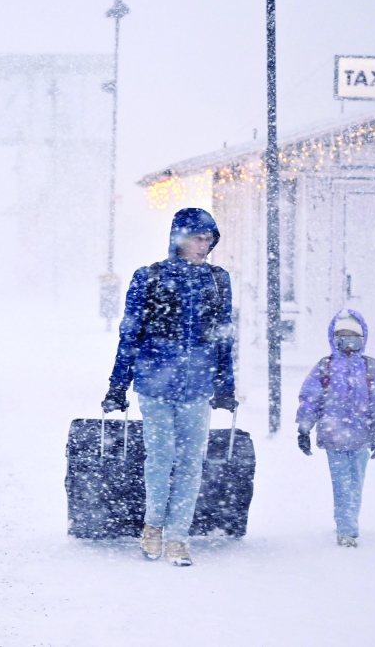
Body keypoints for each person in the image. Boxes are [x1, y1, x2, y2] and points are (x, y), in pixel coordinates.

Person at [102, 208, 237, 566]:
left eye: (208, 240)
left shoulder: (218, 281)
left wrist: (225, 384)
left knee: (192, 462)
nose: (203, 246)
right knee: (160, 458)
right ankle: (153, 527)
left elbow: (225, 336)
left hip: (197, 386)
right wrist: (118, 385)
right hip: (155, 384)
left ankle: (178, 535)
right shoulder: (149, 278)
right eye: (197, 238)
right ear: (178, 238)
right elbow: (129, 335)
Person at [296, 310, 375, 548]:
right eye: (342, 336)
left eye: (353, 336)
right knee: (341, 483)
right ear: (333, 337)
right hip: (334, 436)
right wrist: (304, 429)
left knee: (356, 482)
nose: (348, 341)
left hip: (362, 436)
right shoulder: (325, 367)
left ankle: (348, 520)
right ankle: (347, 529)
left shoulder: (370, 368)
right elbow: (311, 399)